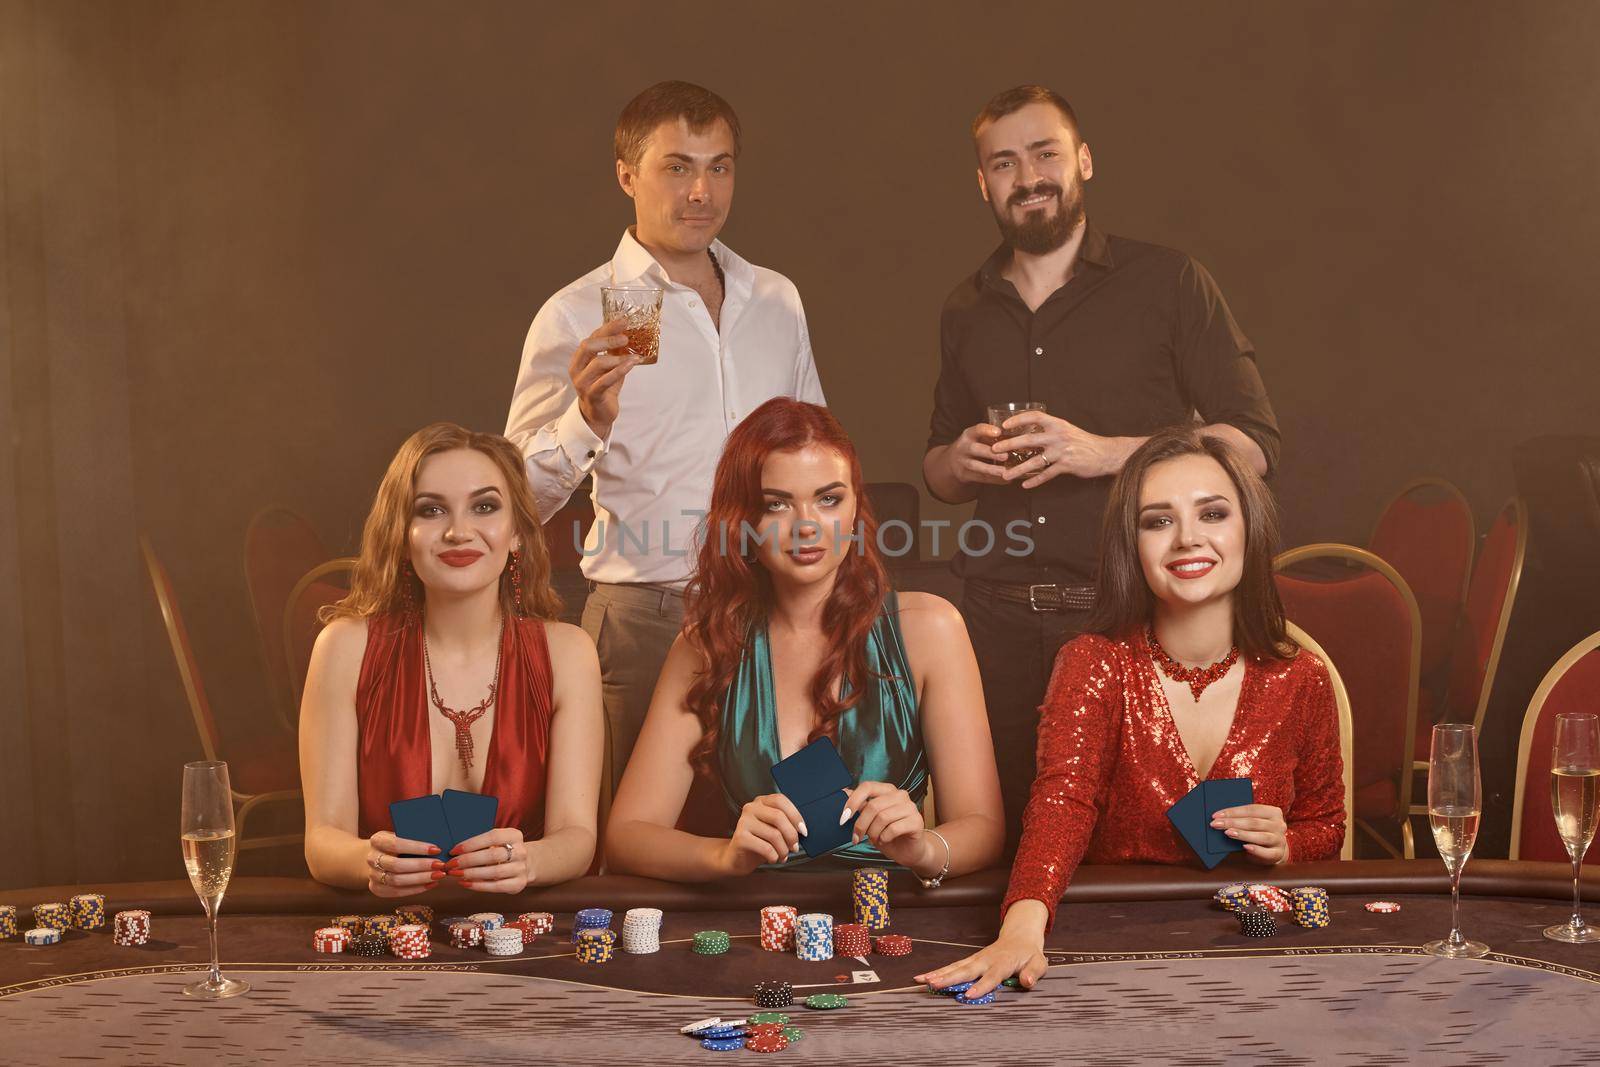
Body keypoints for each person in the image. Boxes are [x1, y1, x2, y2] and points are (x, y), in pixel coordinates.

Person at [922, 85, 1283, 846]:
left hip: (1127, 613)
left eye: (1046, 153)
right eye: (1004, 162)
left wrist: (1107, 453)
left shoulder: (1171, 282)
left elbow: (1253, 446)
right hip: (996, 618)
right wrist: (957, 459)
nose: (1029, 176)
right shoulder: (965, 308)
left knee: (1158, 845)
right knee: (1009, 844)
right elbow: (939, 474)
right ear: (982, 183)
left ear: (1083, 160)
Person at [916, 427, 1344, 997]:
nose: (1187, 539)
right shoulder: (1094, 662)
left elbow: (1329, 827)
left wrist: (1290, 844)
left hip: (1251, 953)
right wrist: (1023, 925)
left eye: (1212, 514)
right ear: (1131, 545)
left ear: (1251, 530)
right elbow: (1063, 802)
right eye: (1158, 521)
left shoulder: (1301, 678)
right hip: (1112, 942)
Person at [506, 81, 826, 793]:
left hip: (773, 611)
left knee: (770, 845)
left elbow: (818, 452)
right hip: (644, 622)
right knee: (627, 859)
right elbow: (512, 501)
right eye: (677, 166)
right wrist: (585, 418)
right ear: (627, 175)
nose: (701, 192)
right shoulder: (574, 314)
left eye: (719, 166)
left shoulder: (775, 298)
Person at [604, 399, 1004, 882]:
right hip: (759, 925)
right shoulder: (708, 644)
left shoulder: (930, 627)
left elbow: (983, 829)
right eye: (777, 504)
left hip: (892, 917)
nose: (807, 525)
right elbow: (628, 834)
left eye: (829, 498)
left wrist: (922, 848)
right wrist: (725, 856)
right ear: (742, 521)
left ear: (856, 506)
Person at [299, 423, 604, 896]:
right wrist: (370, 861)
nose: (459, 531)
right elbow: (322, 842)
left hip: (516, 932)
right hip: (389, 930)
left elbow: (577, 838)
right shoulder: (345, 647)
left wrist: (527, 861)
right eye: (431, 510)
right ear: (402, 535)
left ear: (518, 533)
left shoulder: (568, 653)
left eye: (484, 507)